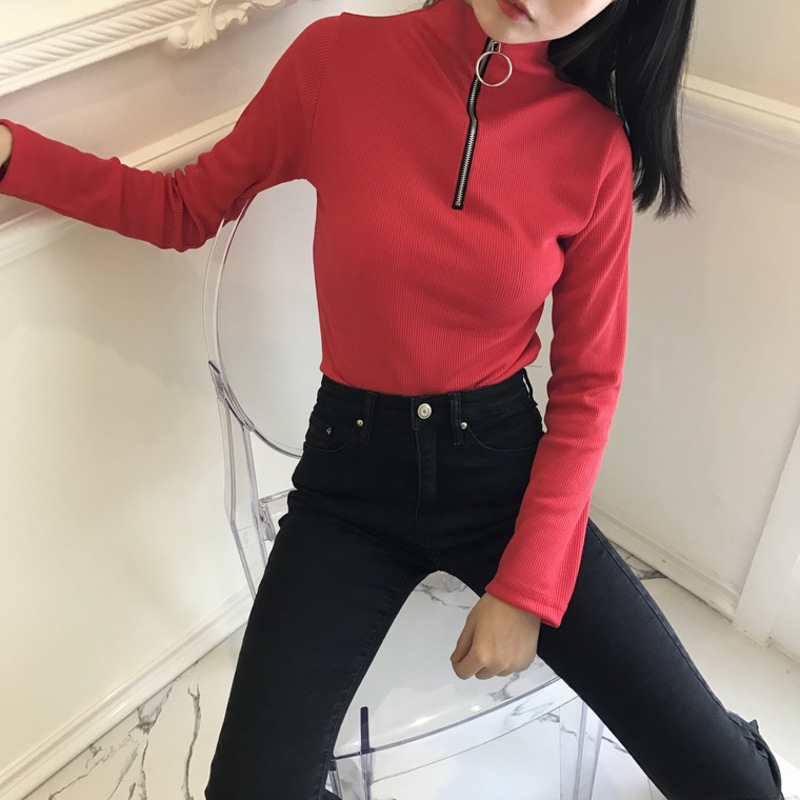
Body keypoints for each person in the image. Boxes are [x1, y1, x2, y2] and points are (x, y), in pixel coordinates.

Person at [0, 0, 786, 797]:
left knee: (735, 786)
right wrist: (9, 154)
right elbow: (180, 209)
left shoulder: (594, 148)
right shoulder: (336, 61)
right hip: (351, 484)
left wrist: (526, 588)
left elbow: (589, 384)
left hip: (504, 480)